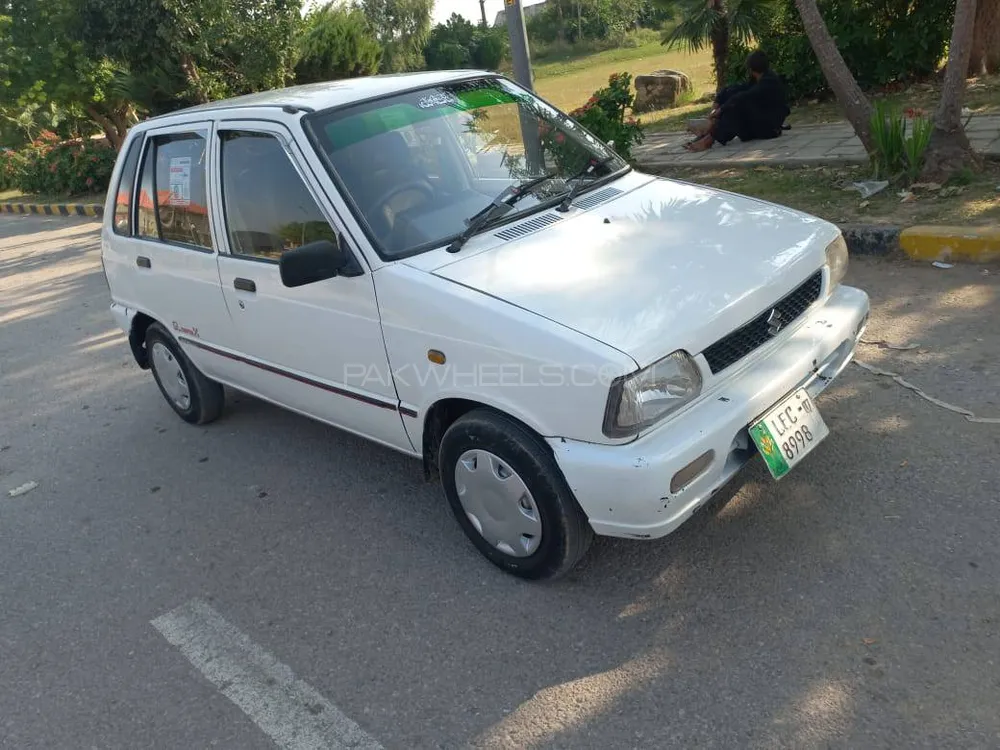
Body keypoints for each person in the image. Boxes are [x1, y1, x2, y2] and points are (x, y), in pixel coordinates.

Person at [685, 50, 790, 152]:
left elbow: (743, 96)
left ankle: (709, 138)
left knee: (736, 107)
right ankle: (709, 130)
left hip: (769, 129)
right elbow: (737, 89)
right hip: (758, 125)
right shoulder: (759, 78)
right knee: (731, 91)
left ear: (751, 69)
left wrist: (721, 110)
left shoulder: (769, 82)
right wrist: (717, 102)